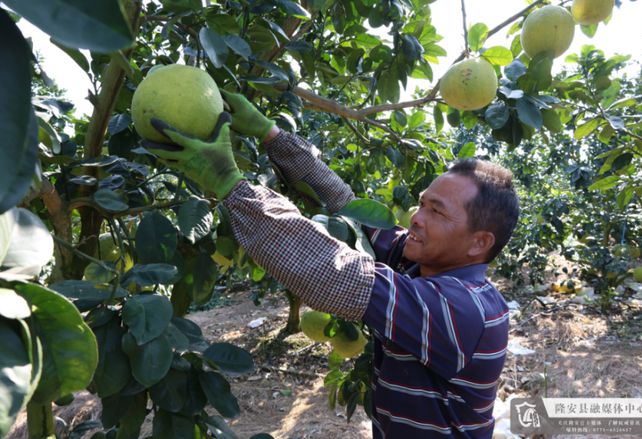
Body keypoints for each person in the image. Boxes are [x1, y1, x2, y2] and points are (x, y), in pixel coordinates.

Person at [143, 90, 520, 438]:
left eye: (436, 211)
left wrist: (228, 182)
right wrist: (270, 134)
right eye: (422, 203)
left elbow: (336, 272)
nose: (417, 218)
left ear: (479, 243)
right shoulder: (420, 263)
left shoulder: (466, 310)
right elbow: (348, 208)